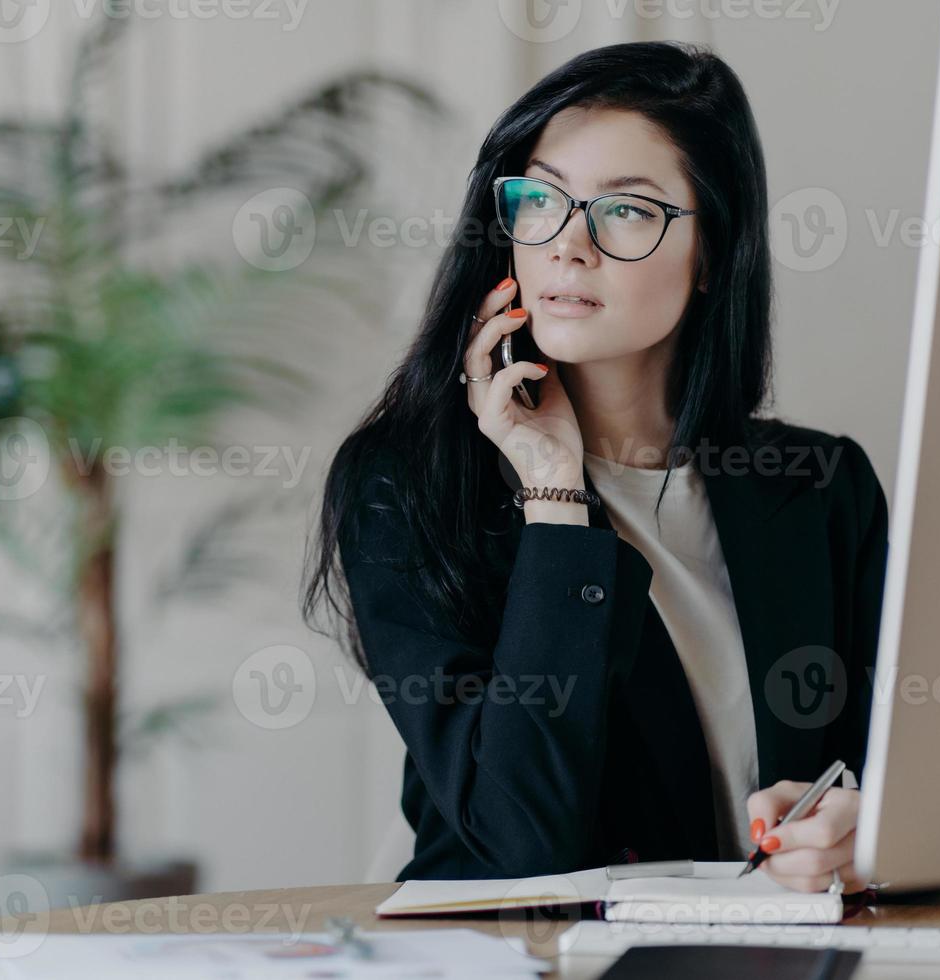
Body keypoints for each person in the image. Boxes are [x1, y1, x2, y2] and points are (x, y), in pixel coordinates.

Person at [301, 41, 888, 893]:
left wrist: (864, 830)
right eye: (541, 199)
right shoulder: (409, 486)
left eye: (625, 211)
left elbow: (914, 783)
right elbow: (521, 842)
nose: (568, 246)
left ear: (713, 251)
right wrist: (552, 491)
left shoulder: (820, 486)